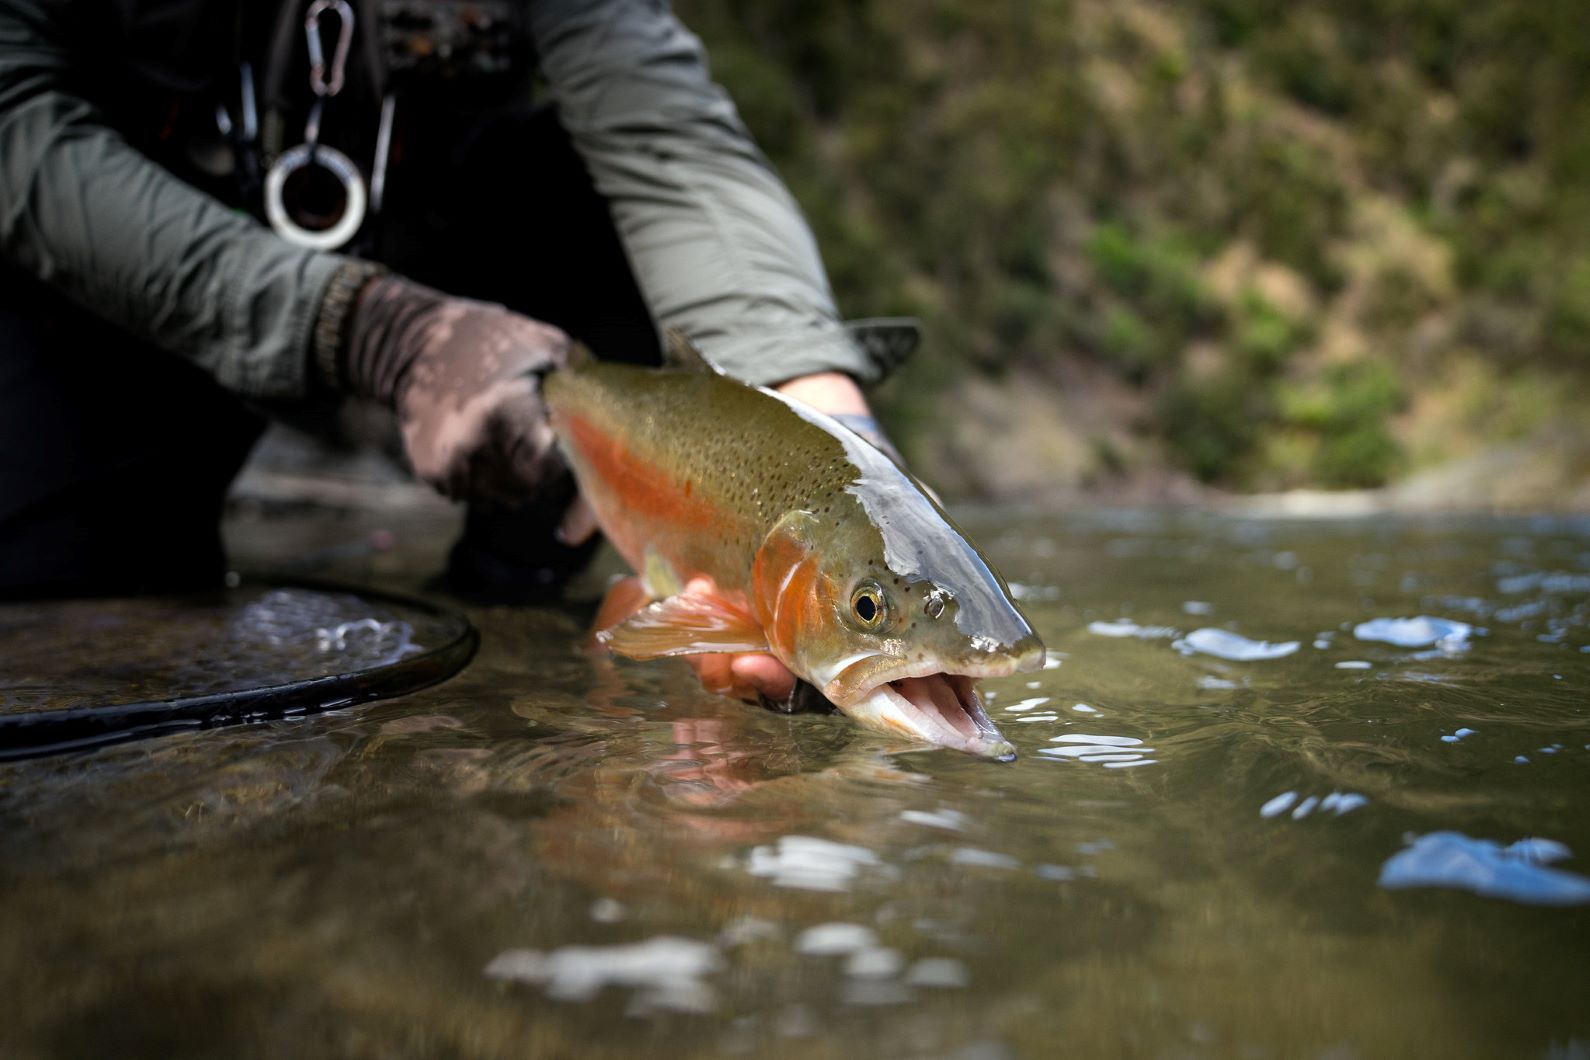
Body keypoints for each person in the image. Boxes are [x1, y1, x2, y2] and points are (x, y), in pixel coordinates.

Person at [0, 0, 914, 703]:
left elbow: (672, 143)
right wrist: (373, 331)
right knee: (68, 627)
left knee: (602, 225)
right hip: (97, 285)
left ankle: (513, 608)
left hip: (437, 243)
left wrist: (828, 423)